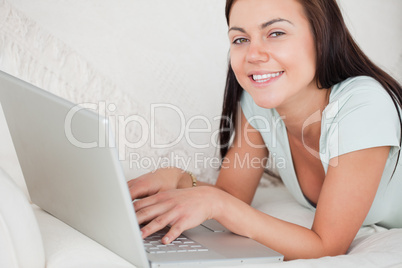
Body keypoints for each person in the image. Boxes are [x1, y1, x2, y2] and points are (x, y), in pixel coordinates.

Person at [128, 0, 402, 260]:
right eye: (240, 39)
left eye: (276, 33)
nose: (253, 54)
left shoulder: (365, 106)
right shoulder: (260, 102)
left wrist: (216, 202)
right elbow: (232, 197)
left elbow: (326, 246)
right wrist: (179, 181)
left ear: (322, 36)